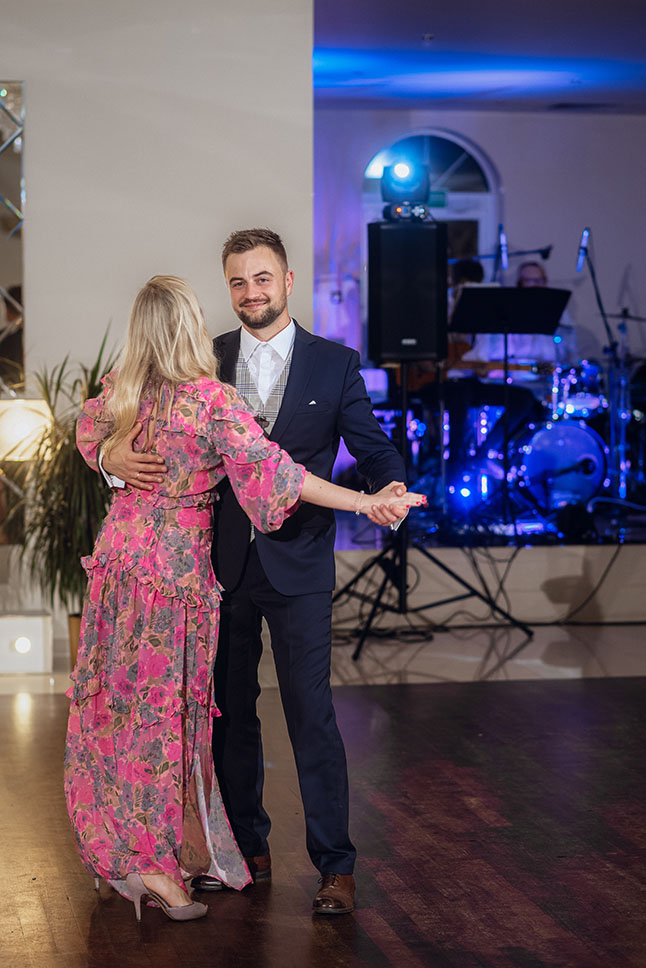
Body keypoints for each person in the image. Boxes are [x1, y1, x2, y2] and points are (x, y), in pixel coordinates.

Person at [67, 274, 421, 923]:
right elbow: (281, 475)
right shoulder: (209, 398)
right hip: (175, 575)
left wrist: (108, 454)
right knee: (168, 717)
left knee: (118, 708)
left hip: (118, 564)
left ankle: (121, 853)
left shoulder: (120, 391)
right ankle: (156, 866)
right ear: (190, 325)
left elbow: (87, 431)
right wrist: (363, 502)